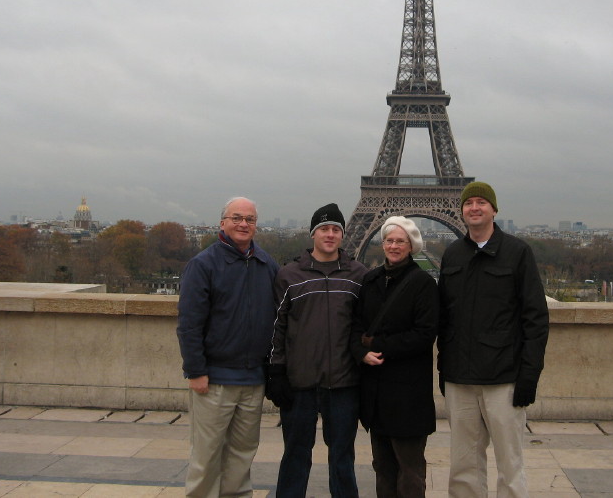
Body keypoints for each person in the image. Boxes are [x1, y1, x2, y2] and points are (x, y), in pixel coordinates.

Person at [437, 182, 550, 498]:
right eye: (469, 202)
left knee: (510, 465)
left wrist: (529, 376)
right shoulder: (453, 254)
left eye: (481, 202)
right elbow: (444, 318)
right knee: (463, 467)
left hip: (504, 379)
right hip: (461, 379)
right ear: (461, 210)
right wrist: (444, 370)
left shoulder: (517, 253)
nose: (474, 207)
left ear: (493, 209)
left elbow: (536, 319)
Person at [176, 197, 278, 498]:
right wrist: (196, 371)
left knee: (242, 457)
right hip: (214, 379)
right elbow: (189, 324)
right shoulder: (203, 264)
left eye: (249, 219)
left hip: (253, 379)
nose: (243, 224)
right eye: (237, 218)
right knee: (206, 458)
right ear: (223, 222)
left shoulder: (266, 264)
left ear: (256, 225)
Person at [267, 203, 369, 498]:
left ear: (342, 235)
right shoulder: (289, 276)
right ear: (313, 234)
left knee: (342, 459)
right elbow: (277, 327)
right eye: (324, 229)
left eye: (336, 229)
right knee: (296, 456)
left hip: (343, 383)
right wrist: (276, 370)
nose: (330, 234)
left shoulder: (358, 276)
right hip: (300, 383)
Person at [350, 216, 439, 497]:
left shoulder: (423, 284)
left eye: (400, 241)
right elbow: (355, 326)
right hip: (377, 394)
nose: (393, 245)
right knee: (383, 467)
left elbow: (425, 334)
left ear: (411, 246)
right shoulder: (371, 280)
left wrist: (378, 345)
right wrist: (361, 352)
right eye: (389, 240)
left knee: (410, 469)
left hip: (408, 395)